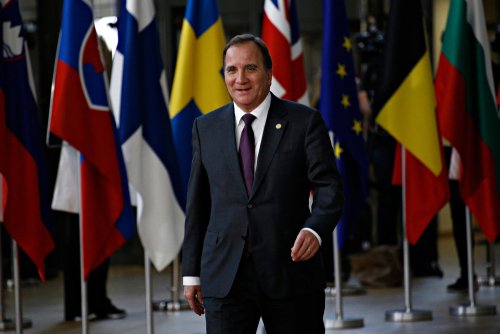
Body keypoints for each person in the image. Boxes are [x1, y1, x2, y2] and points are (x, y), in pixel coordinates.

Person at [182, 34, 343, 334]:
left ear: (269, 74)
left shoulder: (304, 122)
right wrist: (191, 273)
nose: (240, 78)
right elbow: (198, 204)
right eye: (232, 70)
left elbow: (329, 188)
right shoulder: (205, 128)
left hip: (290, 273)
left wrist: (315, 229)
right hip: (225, 277)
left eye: (250, 68)